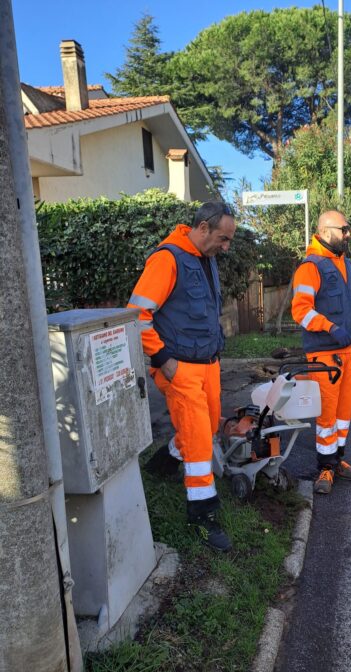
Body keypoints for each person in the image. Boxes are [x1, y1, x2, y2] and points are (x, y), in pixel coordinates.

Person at [128, 201, 236, 552]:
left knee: (206, 428)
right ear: (203, 227)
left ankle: (163, 462)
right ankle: (203, 515)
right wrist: (163, 359)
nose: (226, 247)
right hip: (181, 368)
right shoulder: (167, 259)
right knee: (201, 440)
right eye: (222, 238)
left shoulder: (206, 260)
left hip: (208, 364)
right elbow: (137, 314)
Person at [291, 209, 351, 494]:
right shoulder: (310, 267)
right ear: (327, 230)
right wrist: (329, 327)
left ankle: (337, 459)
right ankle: (324, 468)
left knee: (343, 414)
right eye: (344, 229)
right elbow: (300, 311)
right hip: (323, 356)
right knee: (327, 416)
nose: (348, 234)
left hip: (345, 352)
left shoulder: (346, 265)